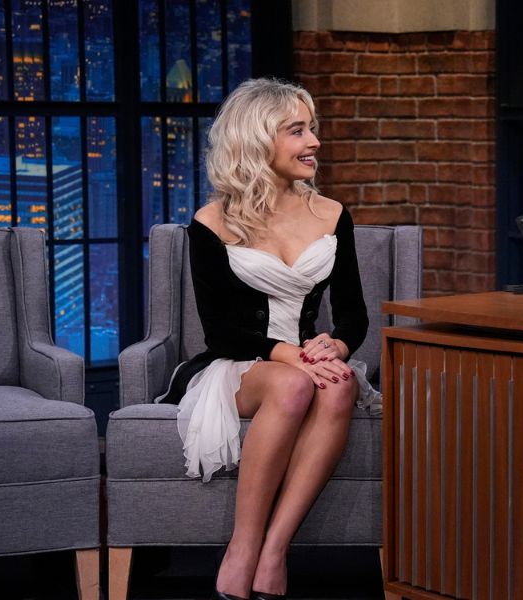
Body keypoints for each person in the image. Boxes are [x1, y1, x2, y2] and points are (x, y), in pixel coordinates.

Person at [155, 78, 375, 600]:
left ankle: (276, 549)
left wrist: (337, 346)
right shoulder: (211, 222)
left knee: (340, 384)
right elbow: (219, 330)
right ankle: (243, 546)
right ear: (257, 140)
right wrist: (287, 355)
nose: (314, 141)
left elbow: (354, 315)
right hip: (239, 363)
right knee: (293, 385)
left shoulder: (333, 215)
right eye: (297, 131)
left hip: (305, 359)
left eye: (312, 128)